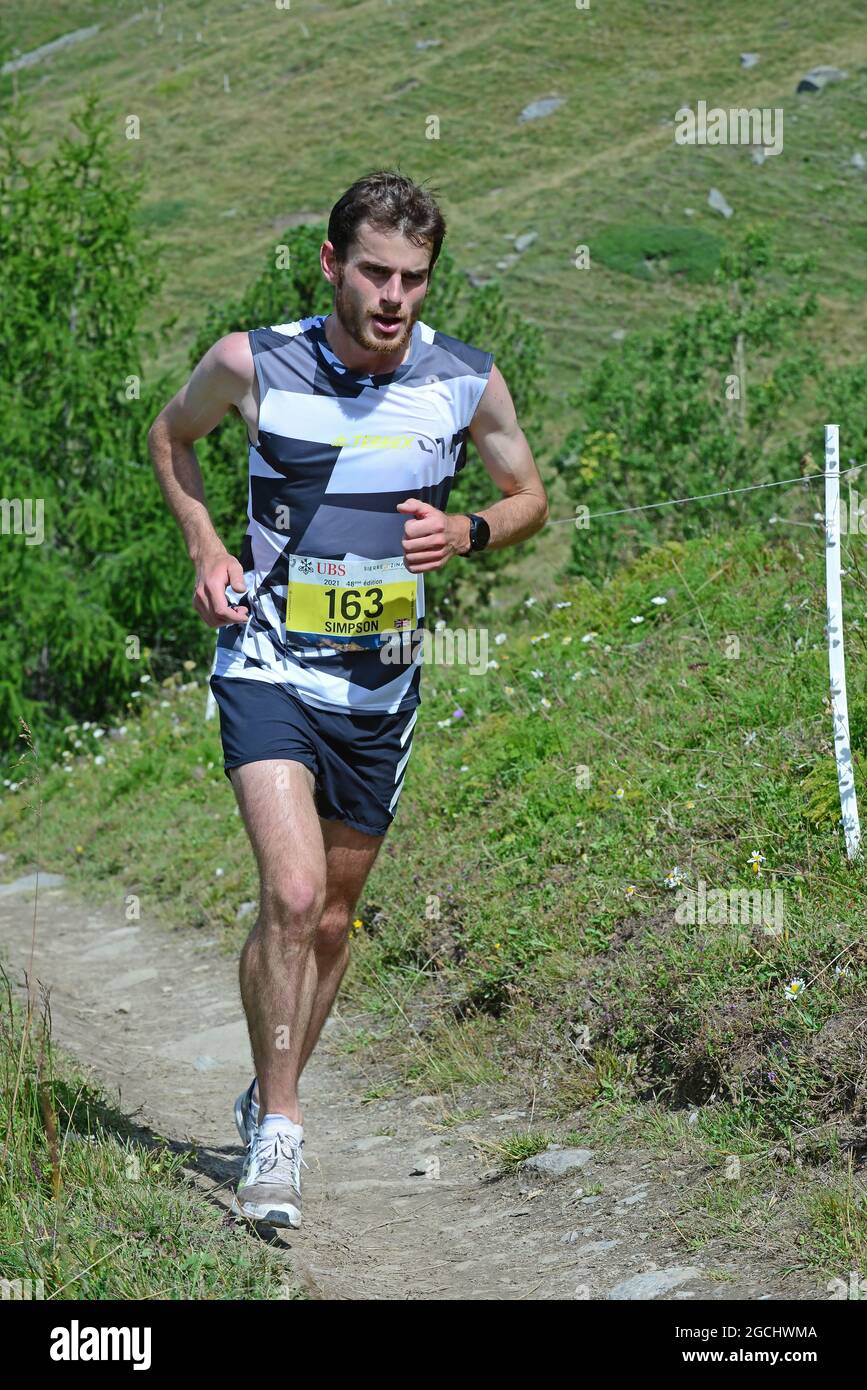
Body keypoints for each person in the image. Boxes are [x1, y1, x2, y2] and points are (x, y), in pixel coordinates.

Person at [147, 170, 548, 1228]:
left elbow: (529, 496)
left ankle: (263, 1089)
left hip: (382, 689)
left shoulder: (466, 380)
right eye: (375, 271)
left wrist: (467, 533)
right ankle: (279, 1127)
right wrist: (206, 544)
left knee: (329, 917)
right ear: (331, 264)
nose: (394, 296)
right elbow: (170, 436)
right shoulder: (253, 362)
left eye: (414, 278)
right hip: (269, 660)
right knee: (288, 892)